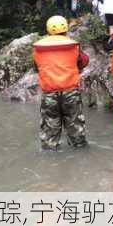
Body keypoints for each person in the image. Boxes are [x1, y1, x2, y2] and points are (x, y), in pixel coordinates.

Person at [33, 15, 89, 150]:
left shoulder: (38, 49)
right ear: (66, 30)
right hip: (70, 92)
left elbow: (36, 67)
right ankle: (80, 153)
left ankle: (50, 157)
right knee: (76, 128)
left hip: (49, 94)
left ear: (48, 30)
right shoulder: (74, 47)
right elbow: (84, 61)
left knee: (50, 132)